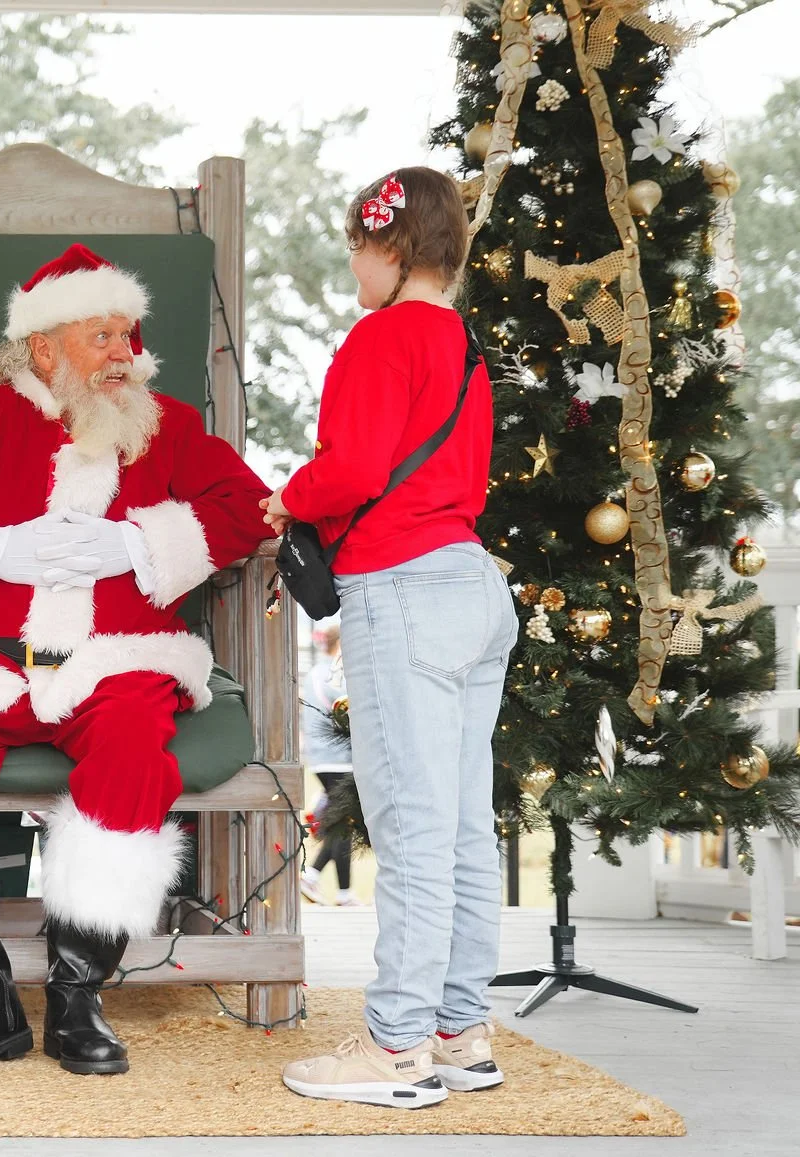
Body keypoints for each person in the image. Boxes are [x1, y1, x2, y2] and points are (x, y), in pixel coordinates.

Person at [0, 243, 273, 1076]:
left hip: (114, 665)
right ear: (42, 347)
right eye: (102, 335)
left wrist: (135, 544)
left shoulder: (168, 427)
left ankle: (78, 995)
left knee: (133, 755)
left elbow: (249, 507)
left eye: (128, 335)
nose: (125, 353)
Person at [261, 168, 517, 1109]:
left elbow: (356, 466)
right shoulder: (465, 344)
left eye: (358, 250)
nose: (353, 270)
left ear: (395, 247)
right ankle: (459, 1028)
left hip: (403, 587)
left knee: (410, 826)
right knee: (458, 827)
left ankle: (397, 1048)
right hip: (472, 584)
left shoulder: (381, 336)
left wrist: (291, 494)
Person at [299, 624, 358, 907]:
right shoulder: (335, 673)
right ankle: (325, 882)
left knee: (341, 820)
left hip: (323, 758)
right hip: (339, 759)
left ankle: (324, 881)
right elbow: (347, 709)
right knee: (344, 822)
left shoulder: (315, 674)